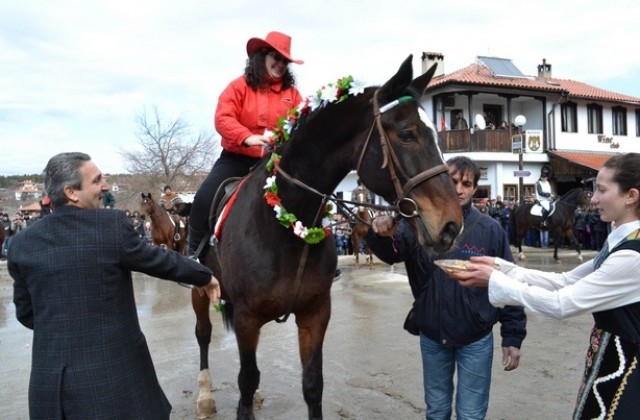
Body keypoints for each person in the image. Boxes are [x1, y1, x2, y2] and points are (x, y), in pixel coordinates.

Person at [8, 152, 221, 419]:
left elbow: (27, 315)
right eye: (97, 180)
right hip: (116, 387)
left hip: (51, 393)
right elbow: (159, 260)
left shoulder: (21, 244)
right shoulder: (109, 226)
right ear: (72, 192)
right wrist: (204, 275)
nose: (106, 186)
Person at [451, 153, 640, 419]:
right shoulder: (622, 242)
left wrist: (496, 281)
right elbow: (565, 280)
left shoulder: (632, 257)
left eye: (601, 190)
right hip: (609, 362)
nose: (594, 198)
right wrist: (504, 268)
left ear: (630, 196)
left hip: (629, 369)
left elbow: (562, 303)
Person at [366, 156, 526, 419]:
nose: (459, 189)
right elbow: (393, 253)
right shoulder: (417, 223)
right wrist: (380, 235)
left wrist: (513, 335)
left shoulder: (490, 230)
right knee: (437, 410)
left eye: (467, 183)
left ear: (474, 189)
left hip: (476, 338)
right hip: (433, 336)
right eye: (453, 182)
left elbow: (508, 284)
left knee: (471, 414)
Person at [188, 31, 304, 258]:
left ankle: (315, 253)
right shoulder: (238, 87)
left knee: (308, 195)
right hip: (237, 159)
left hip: (276, 163)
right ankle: (192, 255)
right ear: (261, 56)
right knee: (203, 199)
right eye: (276, 57)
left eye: (285, 61)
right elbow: (222, 118)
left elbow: (303, 125)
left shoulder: (293, 94)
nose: (281, 64)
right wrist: (246, 136)